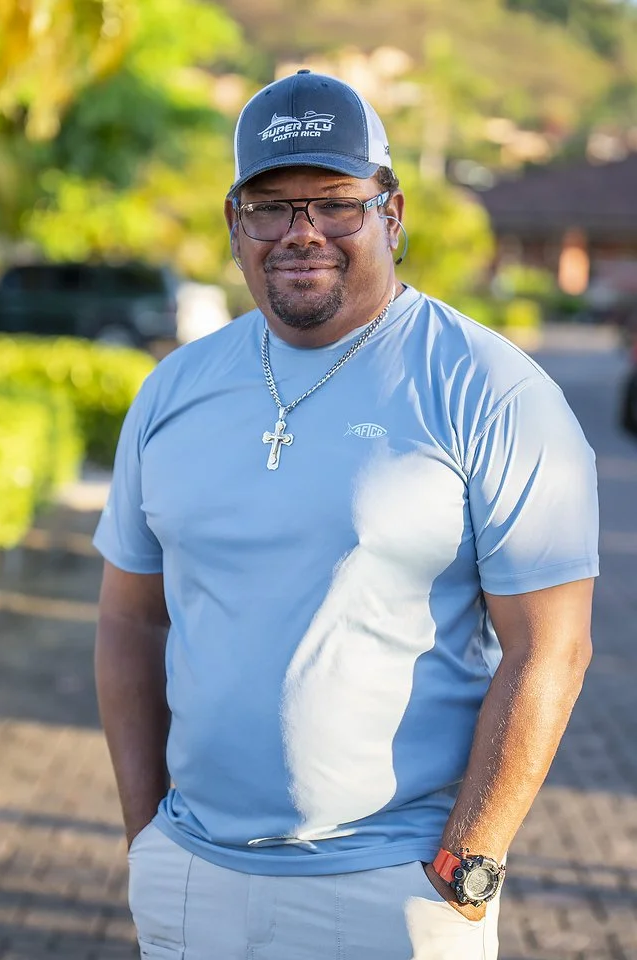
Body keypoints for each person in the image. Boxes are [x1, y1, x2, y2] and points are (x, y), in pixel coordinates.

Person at [93, 70, 599, 960]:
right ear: (233, 222)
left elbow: (550, 645)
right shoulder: (173, 389)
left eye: (334, 202)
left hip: (391, 888)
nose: (301, 232)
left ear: (391, 216)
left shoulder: (490, 389)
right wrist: (148, 839)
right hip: (191, 881)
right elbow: (130, 618)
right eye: (270, 205)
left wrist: (467, 867)